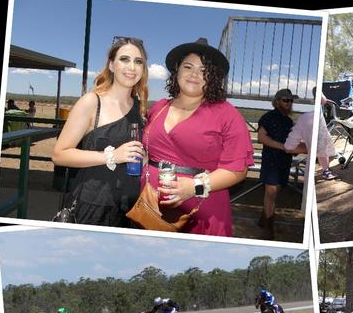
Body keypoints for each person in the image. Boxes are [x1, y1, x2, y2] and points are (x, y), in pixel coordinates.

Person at [146, 38, 254, 236]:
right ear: (177, 70)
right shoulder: (159, 107)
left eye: (204, 70)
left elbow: (238, 170)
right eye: (188, 67)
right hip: (149, 209)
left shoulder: (226, 113)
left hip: (202, 213)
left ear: (212, 77)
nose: (195, 74)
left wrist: (194, 187)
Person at [52, 37, 147, 227]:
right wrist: (111, 156)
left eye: (138, 62)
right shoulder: (91, 102)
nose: (132, 67)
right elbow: (59, 154)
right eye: (124, 59)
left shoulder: (140, 109)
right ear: (111, 65)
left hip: (130, 209)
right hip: (92, 207)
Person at [257, 88, 297, 237]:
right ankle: (268, 227)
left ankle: (263, 219)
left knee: (274, 193)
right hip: (271, 160)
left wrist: (295, 148)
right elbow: (261, 138)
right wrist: (282, 146)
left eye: (291, 100)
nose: (289, 103)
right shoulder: (268, 117)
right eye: (286, 100)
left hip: (284, 161)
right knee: (271, 192)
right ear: (277, 101)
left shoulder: (288, 121)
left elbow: (291, 141)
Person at [284, 87, 338, 181]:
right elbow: (324, 100)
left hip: (317, 132)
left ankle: (325, 170)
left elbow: (323, 100)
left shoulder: (306, 114)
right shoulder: (305, 116)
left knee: (322, 151)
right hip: (314, 133)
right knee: (320, 151)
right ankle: (325, 170)